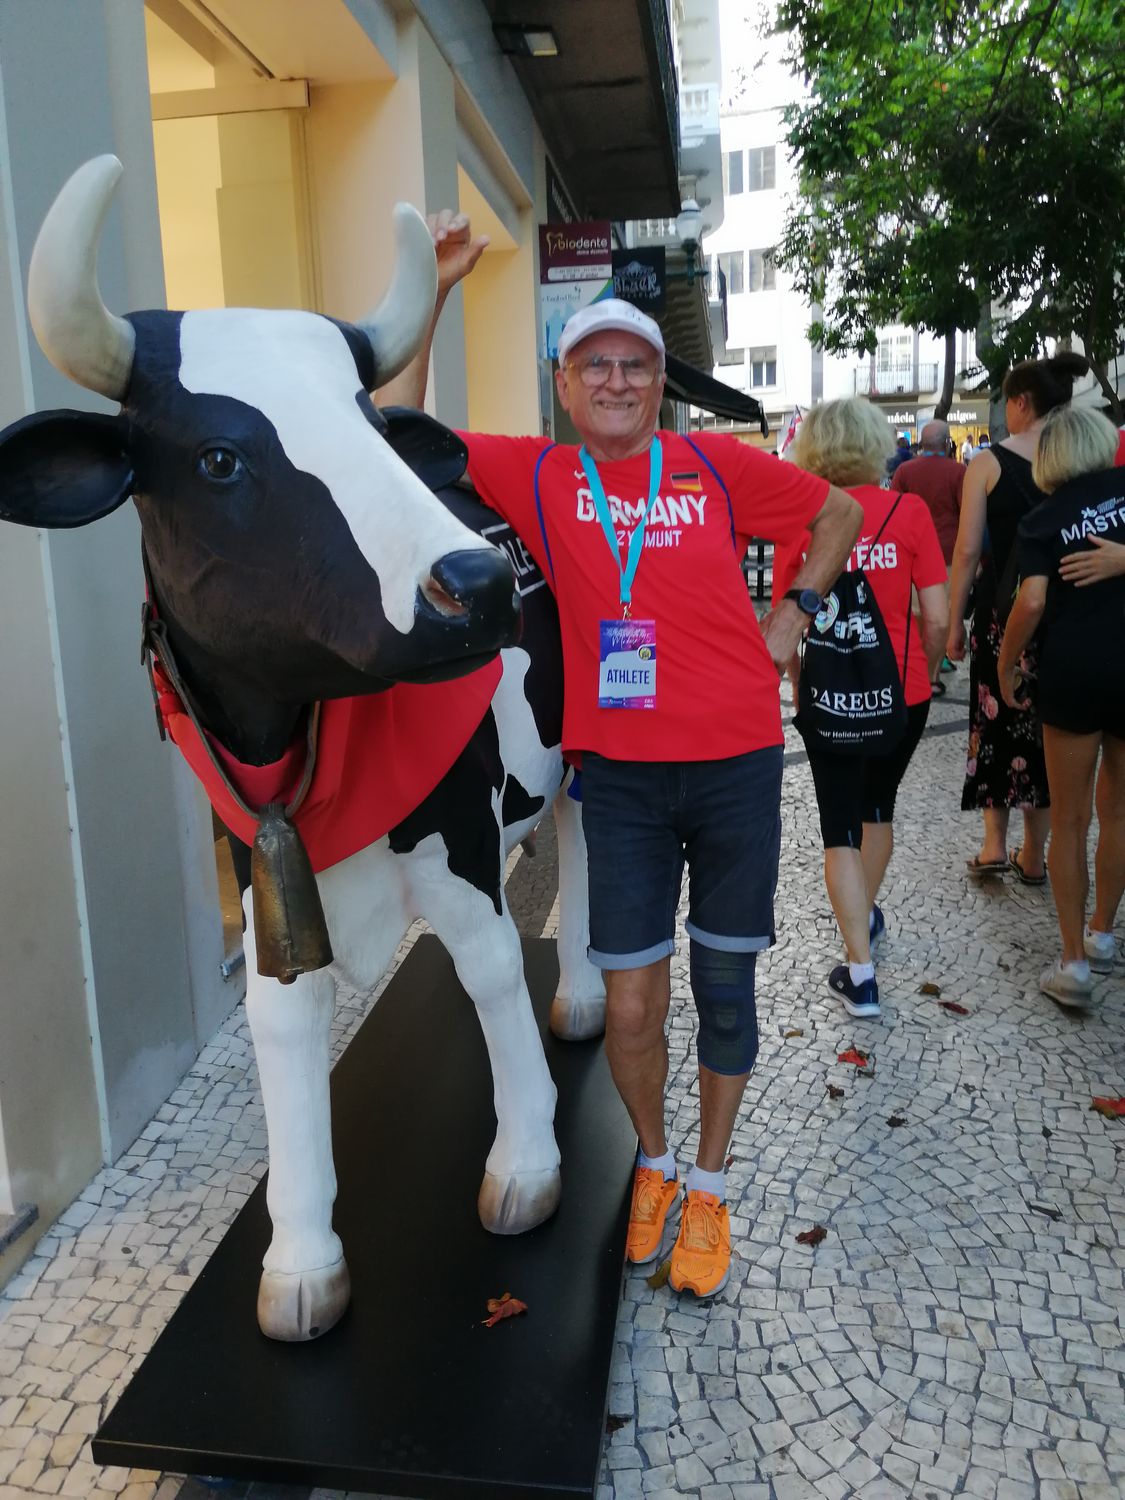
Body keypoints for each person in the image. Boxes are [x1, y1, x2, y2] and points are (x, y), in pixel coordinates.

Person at [383, 218, 862, 1297]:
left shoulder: (711, 464)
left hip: (737, 766)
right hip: (624, 783)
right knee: (632, 1006)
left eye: (634, 366)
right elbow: (397, 435)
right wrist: (436, 290)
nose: (615, 380)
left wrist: (793, 614)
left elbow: (834, 512)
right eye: (594, 365)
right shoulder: (540, 475)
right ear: (564, 386)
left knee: (724, 989)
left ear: (658, 386)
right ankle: (654, 1163)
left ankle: (711, 1185)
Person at [775, 399, 949, 1017]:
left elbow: (789, 623)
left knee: (838, 828)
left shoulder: (801, 520)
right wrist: (928, 670)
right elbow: (937, 617)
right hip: (902, 693)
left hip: (829, 699)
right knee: (878, 807)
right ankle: (866, 913)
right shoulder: (910, 511)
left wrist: (800, 683)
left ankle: (860, 972)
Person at [997, 406, 1125, 1004]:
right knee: (1119, 813)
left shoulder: (1043, 517)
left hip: (1073, 671)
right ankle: (1103, 935)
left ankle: (1073, 964)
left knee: (1071, 820)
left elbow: (1031, 602)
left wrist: (1005, 664)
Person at [947, 354, 1089, 882]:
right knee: (1047, 729)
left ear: (1021, 402)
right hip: (1064, 609)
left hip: (1000, 614)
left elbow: (967, 551)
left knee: (994, 720)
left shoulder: (988, 463)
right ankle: (1034, 854)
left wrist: (954, 621)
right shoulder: (1080, 459)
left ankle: (993, 844)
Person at [891, 418, 965, 696]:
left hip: (912, 554)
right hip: (948, 553)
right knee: (942, 614)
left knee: (917, 615)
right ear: (947, 443)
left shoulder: (904, 471)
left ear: (922, 443)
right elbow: (967, 513)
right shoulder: (959, 472)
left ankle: (915, 667)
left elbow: (894, 511)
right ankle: (931, 675)